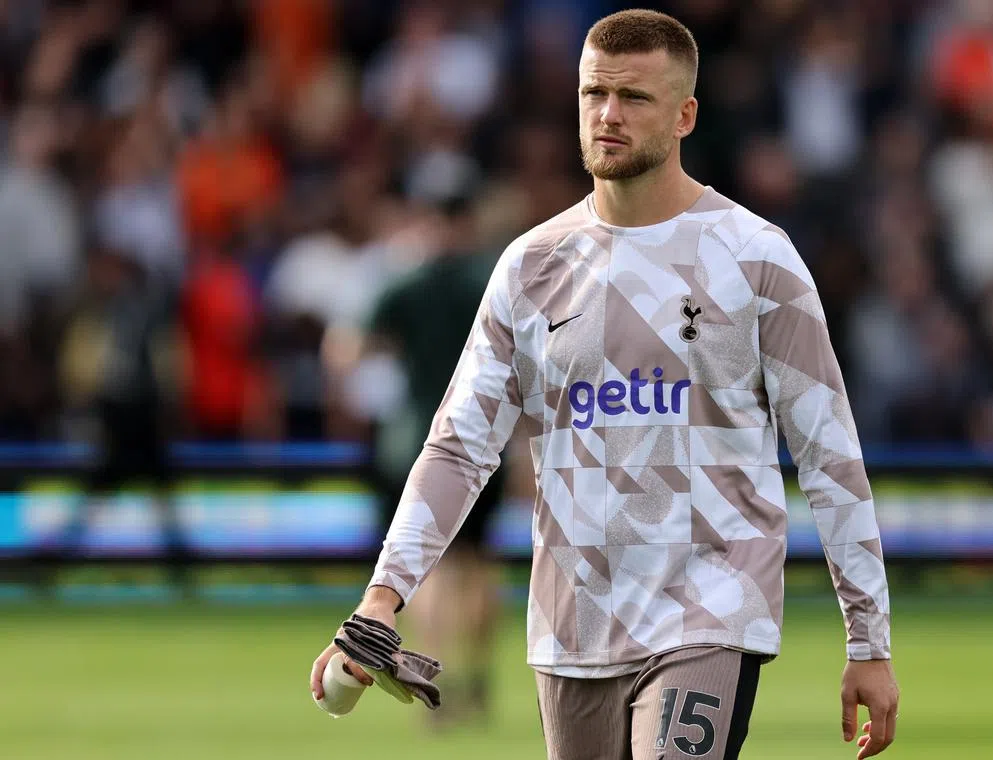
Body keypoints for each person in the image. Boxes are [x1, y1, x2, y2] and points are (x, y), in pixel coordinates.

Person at [311, 10, 899, 759]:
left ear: (685, 114)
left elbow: (829, 454)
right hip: (573, 625)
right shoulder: (531, 267)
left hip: (709, 612)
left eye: (634, 97)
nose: (608, 115)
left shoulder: (756, 259)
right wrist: (380, 599)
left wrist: (868, 641)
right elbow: (459, 447)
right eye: (593, 94)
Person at [366, 191, 508, 725]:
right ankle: (477, 677)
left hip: (420, 441)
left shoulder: (406, 281)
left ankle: (434, 682)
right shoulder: (486, 280)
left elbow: (351, 347)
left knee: (434, 571)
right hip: (487, 439)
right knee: (479, 565)